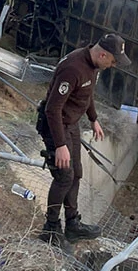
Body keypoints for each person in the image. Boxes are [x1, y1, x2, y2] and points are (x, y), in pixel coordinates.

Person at [36, 33, 132, 246]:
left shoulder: (93, 66)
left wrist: (93, 119)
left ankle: (73, 225)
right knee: (64, 177)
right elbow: (53, 108)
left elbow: (86, 95)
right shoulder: (73, 68)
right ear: (103, 54)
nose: (113, 65)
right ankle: (50, 229)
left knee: (76, 173)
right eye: (113, 61)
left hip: (71, 125)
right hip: (56, 127)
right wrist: (60, 145)